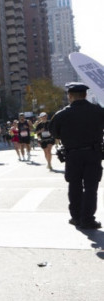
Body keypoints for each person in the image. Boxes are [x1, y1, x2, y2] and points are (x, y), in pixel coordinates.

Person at [49, 82, 104, 229]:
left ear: (70, 96)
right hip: (93, 153)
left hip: (72, 155)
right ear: (85, 95)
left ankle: (76, 217)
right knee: (91, 187)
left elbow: (54, 133)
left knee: (74, 186)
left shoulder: (61, 114)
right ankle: (88, 219)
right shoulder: (98, 111)